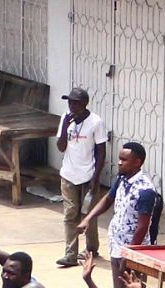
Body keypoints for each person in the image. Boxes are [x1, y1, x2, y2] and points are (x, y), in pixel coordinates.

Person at [78, 141, 157, 288]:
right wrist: (88, 218)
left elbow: (142, 227)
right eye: (119, 158)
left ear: (137, 162)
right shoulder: (122, 179)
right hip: (116, 246)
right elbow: (108, 199)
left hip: (133, 251)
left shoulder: (145, 190)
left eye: (124, 160)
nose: (119, 163)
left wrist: (128, 256)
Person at [54, 88, 106, 268]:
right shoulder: (65, 118)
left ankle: (91, 248)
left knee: (89, 215)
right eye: (69, 102)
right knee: (70, 214)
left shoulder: (96, 122)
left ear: (84, 104)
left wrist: (96, 177)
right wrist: (64, 126)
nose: (71, 106)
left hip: (88, 175)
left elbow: (101, 152)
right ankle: (70, 254)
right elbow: (61, 147)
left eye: (75, 103)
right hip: (68, 175)